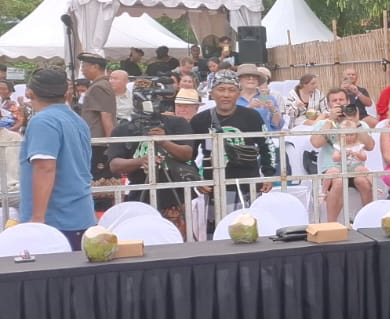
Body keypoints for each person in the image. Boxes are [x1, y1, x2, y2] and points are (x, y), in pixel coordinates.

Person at [19, 68, 95, 248]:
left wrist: (37, 218)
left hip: (54, 219)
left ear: (30, 92)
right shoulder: (77, 120)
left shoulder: (43, 121)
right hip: (79, 213)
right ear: (66, 93)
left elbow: (45, 167)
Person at [107, 83, 196, 233]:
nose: (153, 104)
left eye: (157, 99)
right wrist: (141, 161)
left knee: (177, 242)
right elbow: (114, 165)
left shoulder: (176, 123)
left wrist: (164, 142)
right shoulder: (123, 129)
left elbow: (187, 153)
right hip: (140, 196)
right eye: (149, 99)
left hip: (175, 195)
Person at [190, 71, 273, 213]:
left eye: (231, 90)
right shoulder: (200, 120)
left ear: (238, 93)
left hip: (249, 185)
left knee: (250, 228)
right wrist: (197, 178)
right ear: (212, 93)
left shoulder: (252, 116)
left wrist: (269, 175)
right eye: (221, 89)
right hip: (215, 188)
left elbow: (267, 146)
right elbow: (188, 155)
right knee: (218, 232)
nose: (226, 95)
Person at [311, 89, 375, 222]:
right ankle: (331, 223)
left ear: (348, 102)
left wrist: (356, 124)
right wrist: (331, 120)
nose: (339, 103)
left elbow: (370, 146)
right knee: (339, 181)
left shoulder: (360, 124)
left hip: (355, 168)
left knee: (363, 182)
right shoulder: (323, 124)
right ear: (329, 105)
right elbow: (316, 143)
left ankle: (368, 221)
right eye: (334, 101)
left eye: (341, 100)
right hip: (332, 168)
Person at [77, 53, 116, 181]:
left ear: (95, 66)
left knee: (97, 179)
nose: (82, 70)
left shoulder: (99, 87)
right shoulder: (98, 85)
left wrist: (111, 143)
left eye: (84, 66)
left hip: (98, 142)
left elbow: (106, 115)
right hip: (95, 140)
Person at [237, 64, 283, 132]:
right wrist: (249, 108)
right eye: (247, 76)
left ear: (258, 81)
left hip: (265, 139)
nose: (251, 78)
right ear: (239, 80)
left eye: (254, 77)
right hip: (242, 139)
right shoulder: (233, 99)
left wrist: (273, 110)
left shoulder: (267, 97)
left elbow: (277, 125)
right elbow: (231, 124)